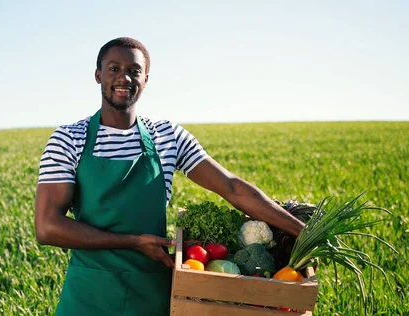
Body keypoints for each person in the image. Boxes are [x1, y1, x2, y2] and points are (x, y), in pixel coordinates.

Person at [34, 37, 305, 316]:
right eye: (113, 68)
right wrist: (134, 242)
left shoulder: (167, 136)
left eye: (134, 70)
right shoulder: (69, 139)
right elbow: (47, 227)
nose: (123, 77)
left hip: (151, 295)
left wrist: (302, 231)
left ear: (146, 79)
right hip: (89, 296)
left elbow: (231, 187)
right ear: (98, 75)